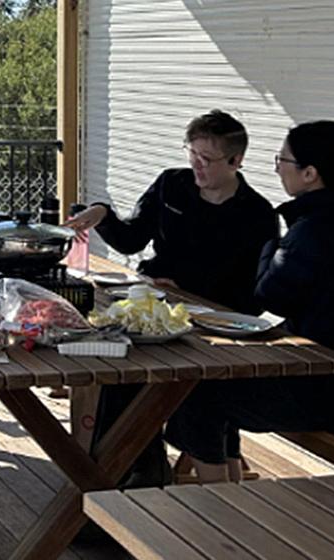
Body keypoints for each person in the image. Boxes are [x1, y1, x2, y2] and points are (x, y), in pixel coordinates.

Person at [164, 120, 334, 483]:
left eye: (282, 160)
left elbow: (269, 294)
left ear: (310, 173)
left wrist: (269, 241)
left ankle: (218, 501)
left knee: (198, 394)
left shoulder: (317, 229)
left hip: (326, 390)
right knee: (211, 381)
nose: (277, 168)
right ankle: (230, 487)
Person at [63, 110, 279, 487]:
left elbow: (253, 296)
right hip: (153, 311)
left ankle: (136, 472)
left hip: (212, 326)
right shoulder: (171, 185)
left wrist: (184, 290)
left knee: (166, 386)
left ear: (236, 161)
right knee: (115, 371)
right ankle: (122, 470)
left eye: (206, 159)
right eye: (192, 153)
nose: (195, 165)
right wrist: (102, 214)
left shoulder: (257, 215)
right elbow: (132, 238)